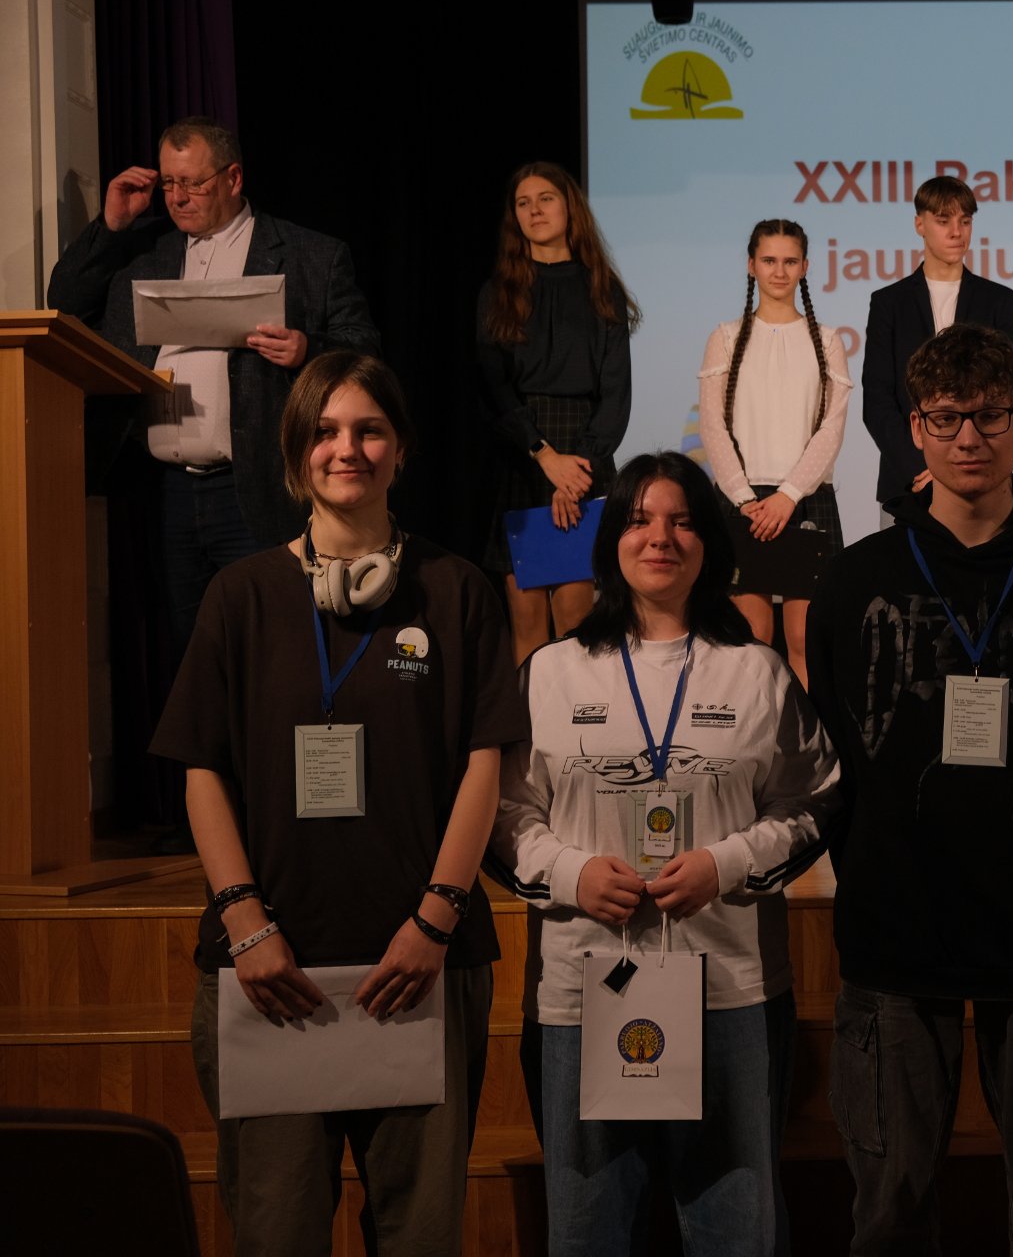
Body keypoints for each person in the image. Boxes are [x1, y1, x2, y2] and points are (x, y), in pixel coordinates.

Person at [151, 352, 525, 1257]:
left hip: (421, 968)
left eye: (369, 430)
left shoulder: (458, 591)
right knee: (275, 1231)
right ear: (294, 453)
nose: (346, 449)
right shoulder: (240, 596)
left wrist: (435, 920)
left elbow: (485, 766)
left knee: (420, 1236)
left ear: (402, 449)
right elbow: (202, 768)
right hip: (271, 973)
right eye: (323, 431)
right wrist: (245, 923)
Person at [808, 322, 1013, 1255]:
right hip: (895, 940)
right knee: (889, 1217)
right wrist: (875, 873)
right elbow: (830, 754)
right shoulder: (856, 578)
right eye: (947, 417)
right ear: (916, 427)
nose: (969, 437)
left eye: (991, 416)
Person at [491, 450, 840, 1257]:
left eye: (682, 521)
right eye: (640, 519)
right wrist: (573, 874)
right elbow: (504, 816)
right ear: (610, 538)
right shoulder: (551, 672)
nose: (661, 537)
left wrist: (730, 862)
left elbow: (816, 800)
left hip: (731, 988)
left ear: (709, 544)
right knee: (587, 1233)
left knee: (736, 1233)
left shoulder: (756, 672)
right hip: (584, 990)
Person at [47, 116, 381, 658]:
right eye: (168, 183)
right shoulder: (142, 249)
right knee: (195, 654)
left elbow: (364, 350)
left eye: (193, 183)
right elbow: (65, 305)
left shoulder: (309, 254)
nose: (178, 198)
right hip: (163, 493)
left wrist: (307, 349)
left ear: (233, 178)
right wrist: (111, 225)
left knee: (272, 644)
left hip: (253, 486)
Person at [478, 160, 641, 666]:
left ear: (569, 206)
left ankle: (578, 720)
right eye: (523, 203)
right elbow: (492, 385)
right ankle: (529, 720)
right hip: (523, 456)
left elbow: (615, 394)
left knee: (575, 621)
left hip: (584, 455)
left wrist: (576, 474)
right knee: (526, 621)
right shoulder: (499, 292)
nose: (535, 210)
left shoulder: (602, 289)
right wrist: (543, 456)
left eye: (545, 198)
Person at [696, 218, 851, 687]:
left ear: (805, 267)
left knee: (805, 638)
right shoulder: (725, 337)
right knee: (752, 638)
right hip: (744, 502)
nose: (779, 271)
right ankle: (758, 732)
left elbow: (831, 428)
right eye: (768, 260)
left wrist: (788, 495)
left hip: (806, 499)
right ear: (751, 265)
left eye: (789, 261)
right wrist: (745, 499)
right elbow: (713, 426)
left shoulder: (827, 341)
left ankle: (809, 733)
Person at [861, 175, 1013, 508]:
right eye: (943, 220)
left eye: (965, 221)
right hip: (909, 483)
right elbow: (877, 401)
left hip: (981, 478)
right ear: (920, 224)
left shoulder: (998, 301)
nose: (956, 232)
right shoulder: (889, 303)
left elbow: (1010, 392)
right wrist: (925, 469)